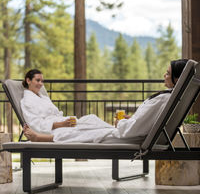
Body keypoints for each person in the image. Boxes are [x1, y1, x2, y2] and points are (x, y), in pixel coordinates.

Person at [21, 59, 188, 144]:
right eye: (37, 80)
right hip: (130, 132)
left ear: (178, 78)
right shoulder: (168, 98)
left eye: (167, 73)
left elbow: (130, 131)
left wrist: (122, 122)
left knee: (84, 129)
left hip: (127, 136)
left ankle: (39, 138)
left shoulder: (163, 99)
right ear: (28, 81)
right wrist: (129, 121)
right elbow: (141, 123)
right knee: (89, 122)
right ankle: (42, 136)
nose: (164, 76)